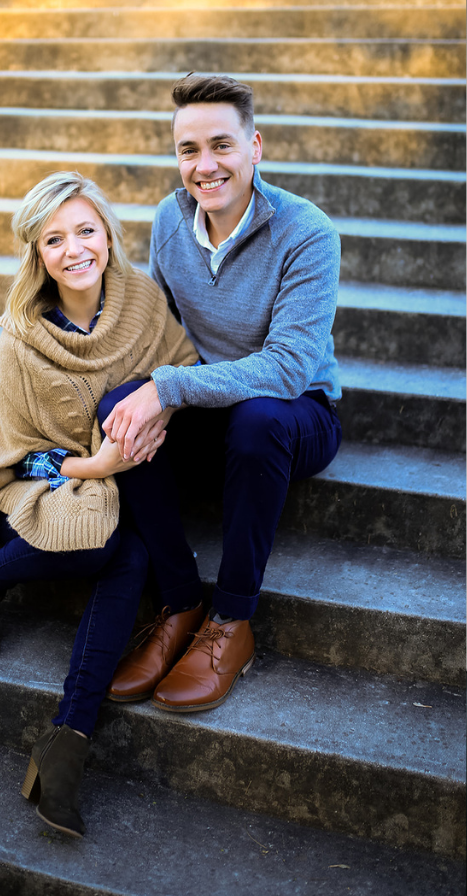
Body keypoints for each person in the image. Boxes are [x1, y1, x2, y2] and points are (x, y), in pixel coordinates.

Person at [0, 172, 198, 837]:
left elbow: (181, 371)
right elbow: (16, 448)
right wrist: (90, 464)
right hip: (34, 484)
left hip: (112, 484)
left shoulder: (142, 302)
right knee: (105, 547)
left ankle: (67, 740)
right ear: (37, 254)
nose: (75, 249)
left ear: (109, 236)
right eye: (54, 239)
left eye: (85, 230)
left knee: (127, 557)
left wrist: (156, 414)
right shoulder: (22, 336)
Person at [101, 74, 342, 714]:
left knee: (258, 420)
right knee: (116, 407)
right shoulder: (168, 218)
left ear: (254, 146)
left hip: (296, 415)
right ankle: (180, 603)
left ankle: (232, 622)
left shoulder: (307, 231)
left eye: (221, 146)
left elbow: (289, 369)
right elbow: (165, 333)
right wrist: (146, 395)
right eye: (188, 150)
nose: (204, 166)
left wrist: (170, 387)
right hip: (213, 407)